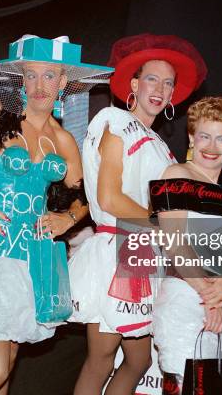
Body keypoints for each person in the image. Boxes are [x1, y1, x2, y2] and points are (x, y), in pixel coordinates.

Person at [0, 34, 112, 395]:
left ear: (63, 83)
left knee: (9, 365)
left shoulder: (63, 141)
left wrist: (68, 218)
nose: (39, 85)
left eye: (49, 76)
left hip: (29, 264)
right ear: (21, 80)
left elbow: (86, 198)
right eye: (30, 75)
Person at [69, 34, 207, 394]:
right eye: (151, 79)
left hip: (143, 252)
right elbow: (110, 197)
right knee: (103, 358)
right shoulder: (113, 120)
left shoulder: (161, 144)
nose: (160, 89)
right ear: (133, 84)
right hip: (120, 250)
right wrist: (161, 222)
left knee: (137, 360)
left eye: (168, 82)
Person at [150, 96, 222, 394]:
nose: (211, 146)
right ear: (192, 137)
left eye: (221, 138)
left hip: (218, 307)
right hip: (185, 299)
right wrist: (210, 299)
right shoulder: (175, 175)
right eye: (204, 136)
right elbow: (175, 245)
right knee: (182, 386)